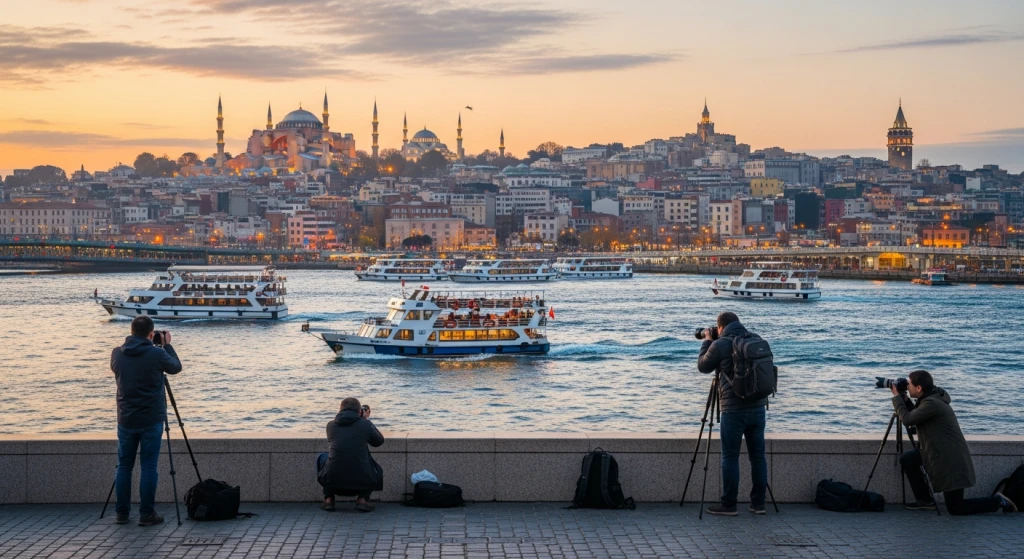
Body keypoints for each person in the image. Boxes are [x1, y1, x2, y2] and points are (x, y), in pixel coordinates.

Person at [892, 370, 1017, 515]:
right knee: (908, 459)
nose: (907, 387)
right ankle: (925, 501)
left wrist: (896, 398)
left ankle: (997, 501)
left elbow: (907, 420)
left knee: (956, 508)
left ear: (919, 388)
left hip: (950, 459)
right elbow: (917, 418)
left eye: (909, 384)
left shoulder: (931, 403)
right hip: (936, 452)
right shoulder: (930, 400)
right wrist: (906, 401)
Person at [110, 315, 182, 526]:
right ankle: (146, 514)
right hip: (151, 419)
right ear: (151, 334)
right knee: (148, 466)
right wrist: (167, 345)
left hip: (125, 419)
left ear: (131, 332)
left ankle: (122, 514)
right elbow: (175, 367)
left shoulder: (117, 353)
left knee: (124, 466)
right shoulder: (156, 353)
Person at [696, 311, 768, 516]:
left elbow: (703, 366)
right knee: (758, 457)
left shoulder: (720, 344)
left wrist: (707, 341)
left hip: (733, 409)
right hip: (758, 407)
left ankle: (729, 505)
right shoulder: (756, 339)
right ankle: (759, 504)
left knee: (730, 457)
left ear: (720, 328)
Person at [317, 398, 384, 512]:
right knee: (367, 460)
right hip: (361, 483)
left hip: (333, 482)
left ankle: (329, 499)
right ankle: (363, 499)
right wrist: (365, 420)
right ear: (359, 411)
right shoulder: (365, 424)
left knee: (322, 457)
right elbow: (379, 441)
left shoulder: (330, 425)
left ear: (340, 410)